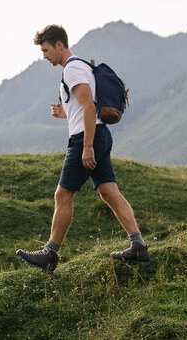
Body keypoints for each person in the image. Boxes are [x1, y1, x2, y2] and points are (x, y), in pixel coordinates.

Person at [15, 25, 150, 273]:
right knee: (109, 191)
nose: (44, 56)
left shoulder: (73, 69)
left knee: (62, 195)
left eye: (46, 50)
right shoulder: (83, 67)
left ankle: (50, 253)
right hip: (100, 135)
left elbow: (89, 107)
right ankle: (138, 245)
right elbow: (85, 108)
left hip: (86, 140)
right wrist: (66, 114)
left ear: (59, 45)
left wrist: (86, 146)